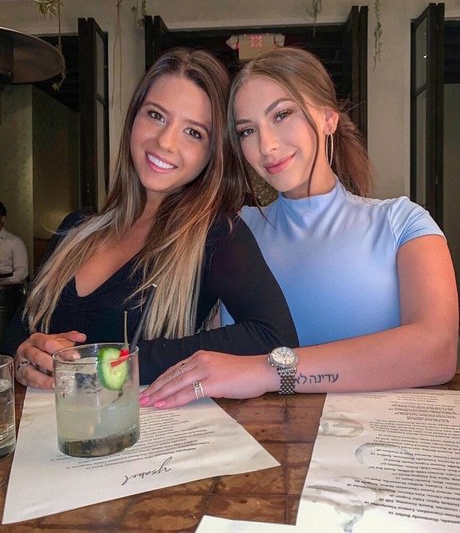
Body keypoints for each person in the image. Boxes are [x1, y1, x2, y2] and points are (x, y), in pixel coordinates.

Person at [139, 46, 459, 409]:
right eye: (247, 131)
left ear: (328, 118)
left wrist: (267, 371)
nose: (266, 145)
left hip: (380, 439)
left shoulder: (403, 223)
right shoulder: (232, 232)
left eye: (282, 115)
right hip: (256, 439)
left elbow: (437, 350)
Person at [1, 47, 298, 388]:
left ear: (212, 153)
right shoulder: (75, 229)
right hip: (44, 421)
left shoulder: (215, 235)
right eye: (156, 115)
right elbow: (15, 336)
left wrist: (115, 362)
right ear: (133, 119)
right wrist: (25, 354)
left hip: (142, 421)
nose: (165, 141)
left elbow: (275, 338)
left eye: (193, 132)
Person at [0, 201, 28, 285]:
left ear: (2, 218)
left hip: (8, 288)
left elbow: (22, 272)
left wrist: (4, 282)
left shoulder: (15, 242)